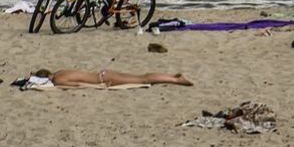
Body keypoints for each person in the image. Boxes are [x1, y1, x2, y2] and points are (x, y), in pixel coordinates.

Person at [32, 68, 194, 87]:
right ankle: (172, 76)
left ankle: (175, 80)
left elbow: (78, 85)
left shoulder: (58, 80)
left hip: (103, 80)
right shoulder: (60, 71)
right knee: (141, 76)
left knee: (142, 80)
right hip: (103, 72)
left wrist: (100, 87)